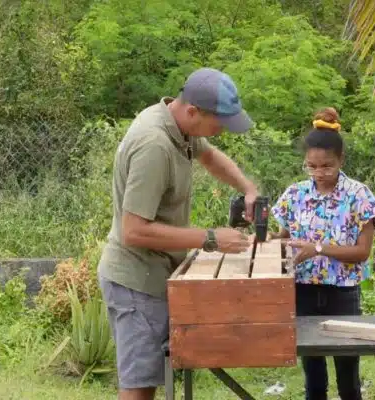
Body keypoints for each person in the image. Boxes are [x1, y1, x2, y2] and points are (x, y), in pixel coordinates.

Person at [97, 67, 260, 400]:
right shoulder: (154, 145)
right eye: (220, 123)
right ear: (193, 111)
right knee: (139, 388)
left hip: (158, 273)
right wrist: (211, 238)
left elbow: (210, 157)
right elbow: (133, 230)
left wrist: (248, 189)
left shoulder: (179, 126)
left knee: (156, 378)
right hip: (135, 281)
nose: (222, 132)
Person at [269, 107, 375, 400]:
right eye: (312, 166)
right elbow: (284, 237)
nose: (319, 173)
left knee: (347, 373)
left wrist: (317, 248)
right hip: (303, 290)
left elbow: (362, 252)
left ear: (341, 160)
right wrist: (267, 239)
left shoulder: (359, 196)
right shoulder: (295, 195)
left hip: (342, 293)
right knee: (313, 375)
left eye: (327, 166)